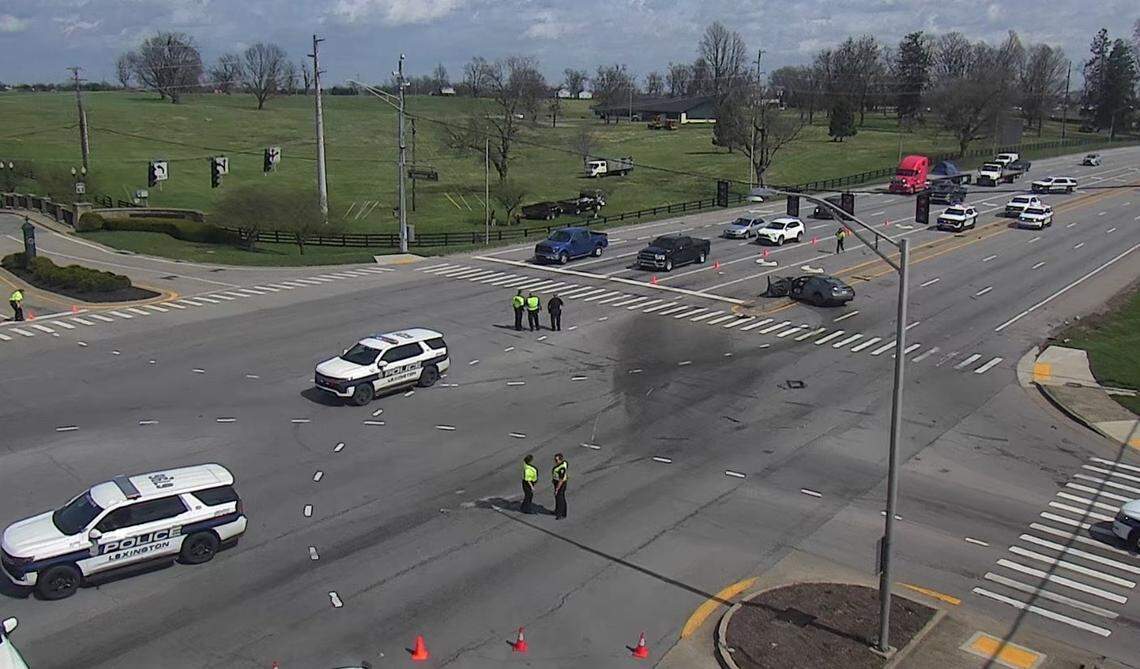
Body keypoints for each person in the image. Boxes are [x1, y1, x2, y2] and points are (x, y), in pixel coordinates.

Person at [552, 453, 568, 519]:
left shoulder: (561, 468)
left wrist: (557, 489)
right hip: (556, 481)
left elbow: (561, 480)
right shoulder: (564, 463)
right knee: (557, 498)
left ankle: (562, 514)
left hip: (560, 484)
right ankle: (557, 510)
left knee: (560, 498)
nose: (555, 461)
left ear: (560, 460)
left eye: (556, 460)